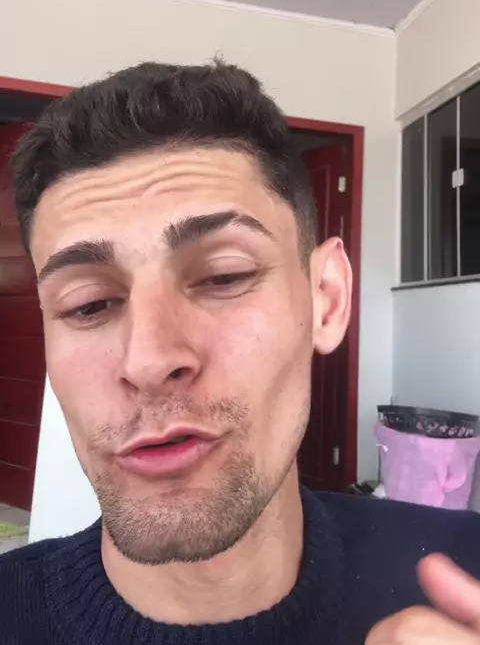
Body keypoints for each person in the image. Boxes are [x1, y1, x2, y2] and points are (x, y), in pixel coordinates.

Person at [1, 60, 480, 645]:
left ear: (327, 300)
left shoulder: (467, 572)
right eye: (89, 304)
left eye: (223, 277)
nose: (148, 361)